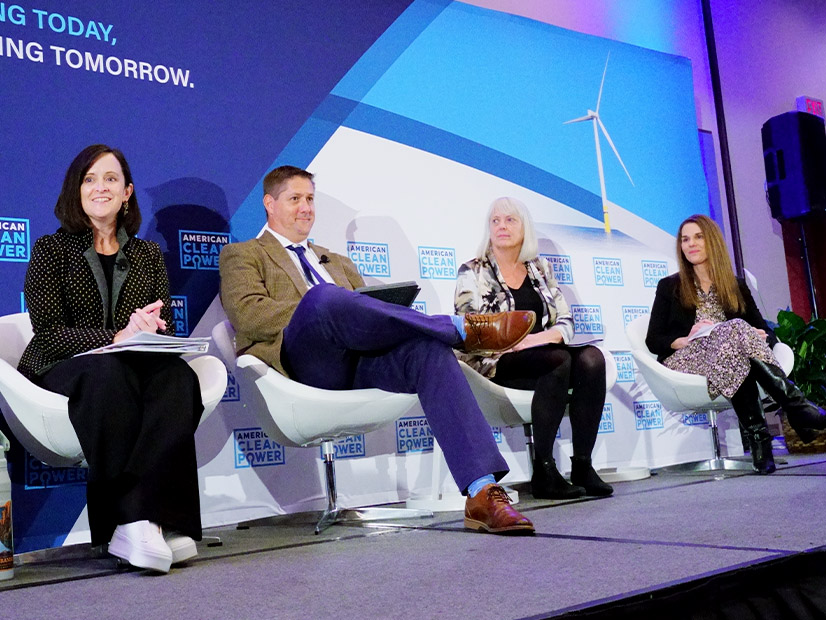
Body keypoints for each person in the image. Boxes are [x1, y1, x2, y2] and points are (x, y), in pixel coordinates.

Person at [219, 165, 537, 535]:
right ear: (269, 204)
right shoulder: (242, 254)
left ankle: (482, 492)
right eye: (295, 199)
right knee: (323, 298)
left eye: (310, 199)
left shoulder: (338, 261)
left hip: (357, 363)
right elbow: (249, 315)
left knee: (427, 351)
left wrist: (345, 307)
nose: (306, 208)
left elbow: (366, 318)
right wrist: (320, 307)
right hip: (302, 365)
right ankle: (458, 328)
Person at [18, 145, 204, 573]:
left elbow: (165, 325)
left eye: (110, 179)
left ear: (127, 192)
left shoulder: (148, 255)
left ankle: (158, 520)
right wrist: (116, 335)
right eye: (89, 179)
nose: (99, 187)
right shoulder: (51, 250)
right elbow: (48, 332)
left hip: (126, 366)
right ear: (76, 190)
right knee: (107, 371)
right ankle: (133, 518)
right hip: (59, 368)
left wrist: (149, 328)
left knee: (177, 378)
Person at [455, 197, 613, 500]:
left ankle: (582, 465)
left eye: (510, 220)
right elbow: (468, 328)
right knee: (559, 361)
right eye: (496, 221)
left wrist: (537, 339)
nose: (502, 226)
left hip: (542, 354)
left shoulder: (540, 268)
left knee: (592, 359)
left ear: (524, 228)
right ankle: (543, 469)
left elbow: (565, 320)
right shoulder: (472, 271)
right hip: (497, 361)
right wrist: (512, 341)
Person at [646, 214, 826, 474]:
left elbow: (763, 329)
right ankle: (796, 408)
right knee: (737, 332)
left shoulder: (735, 285)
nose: (690, 244)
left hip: (729, 356)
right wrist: (686, 338)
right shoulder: (669, 286)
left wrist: (762, 337)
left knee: (737, 342)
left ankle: (761, 445)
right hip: (687, 359)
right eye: (685, 239)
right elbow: (653, 340)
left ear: (713, 242)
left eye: (698, 237)